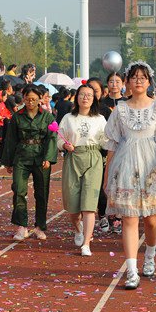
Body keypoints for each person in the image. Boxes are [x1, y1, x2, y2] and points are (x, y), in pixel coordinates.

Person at [102, 61, 156, 290]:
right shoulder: (120, 110)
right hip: (125, 165)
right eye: (134, 77)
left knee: (151, 219)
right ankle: (131, 270)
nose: (138, 81)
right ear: (127, 81)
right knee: (129, 218)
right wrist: (108, 175)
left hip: (151, 166)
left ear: (149, 82)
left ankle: (149, 254)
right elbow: (112, 144)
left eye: (143, 77)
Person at [1, 84, 58, 241]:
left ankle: (40, 226)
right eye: (27, 99)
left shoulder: (47, 117)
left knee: (42, 192)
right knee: (19, 190)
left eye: (34, 99)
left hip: (41, 157)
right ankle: (21, 226)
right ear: (23, 98)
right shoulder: (17, 117)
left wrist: (48, 158)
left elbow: (51, 138)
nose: (30, 102)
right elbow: (11, 139)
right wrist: (8, 161)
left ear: (40, 99)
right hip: (21, 156)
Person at [58, 84, 108, 256]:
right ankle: (78, 228)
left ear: (94, 99)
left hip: (93, 157)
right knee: (72, 205)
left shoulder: (100, 119)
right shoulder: (68, 118)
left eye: (89, 95)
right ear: (76, 97)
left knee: (89, 204)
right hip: (73, 157)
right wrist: (64, 145)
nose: (85, 98)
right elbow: (59, 137)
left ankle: (86, 243)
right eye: (82, 94)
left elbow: (105, 140)